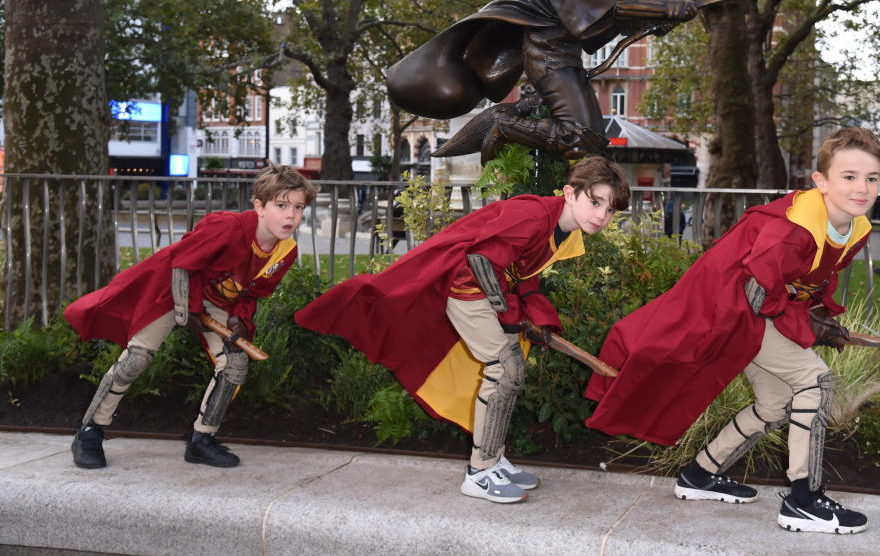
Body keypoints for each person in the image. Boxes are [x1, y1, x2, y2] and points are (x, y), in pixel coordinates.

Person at [585, 127, 880, 534]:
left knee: (776, 402)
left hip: (757, 310)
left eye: (871, 178)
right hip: (733, 310)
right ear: (821, 181)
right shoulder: (794, 226)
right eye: (849, 177)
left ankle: (700, 475)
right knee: (815, 381)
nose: (861, 188)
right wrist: (808, 328)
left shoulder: (856, 225)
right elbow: (757, 294)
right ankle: (804, 500)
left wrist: (820, 315)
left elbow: (810, 279)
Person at [296, 156, 630, 503]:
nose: (602, 215)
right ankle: (480, 473)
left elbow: (522, 272)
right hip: (466, 286)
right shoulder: (534, 216)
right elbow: (481, 262)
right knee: (504, 367)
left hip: (486, 288)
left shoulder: (564, 229)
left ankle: (493, 457)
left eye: (610, 209)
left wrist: (535, 316)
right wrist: (507, 314)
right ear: (569, 193)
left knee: (511, 370)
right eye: (595, 201)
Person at [387, 0, 698, 159]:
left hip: (566, 61)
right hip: (550, 62)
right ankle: (505, 127)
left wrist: (650, 23)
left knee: (594, 144)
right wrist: (664, 7)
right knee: (579, 139)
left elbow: (594, 26)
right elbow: (614, 5)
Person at [67, 164, 315, 469]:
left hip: (213, 300)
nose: (291, 215)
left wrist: (239, 321)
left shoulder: (285, 251)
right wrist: (189, 309)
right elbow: (183, 265)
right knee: (137, 358)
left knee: (235, 365)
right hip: (174, 289)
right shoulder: (227, 227)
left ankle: (202, 440)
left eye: (299, 207)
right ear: (259, 207)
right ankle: (90, 430)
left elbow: (250, 293)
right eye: (281, 205)